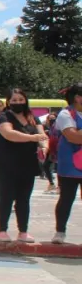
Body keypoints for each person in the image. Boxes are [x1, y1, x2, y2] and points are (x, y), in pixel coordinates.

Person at [0, 89, 47, 243]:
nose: (17, 102)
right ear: (8, 102)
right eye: (14, 100)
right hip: (6, 164)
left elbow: (42, 135)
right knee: (6, 198)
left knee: (24, 198)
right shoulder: (3, 117)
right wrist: (32, 137)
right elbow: (9, 134)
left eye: (20, 99)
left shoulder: (32, 117)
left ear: (26, 100)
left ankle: (23, 232)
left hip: (28, 163)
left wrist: (44, 146)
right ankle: (2, 231)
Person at [54, 83, 82, 244]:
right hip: (70, 165)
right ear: (78, 98)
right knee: (66, 198)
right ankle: (60, 231)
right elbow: (73, 137)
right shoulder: (66, 114)